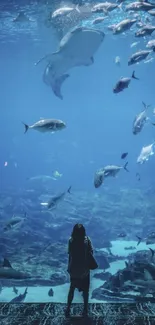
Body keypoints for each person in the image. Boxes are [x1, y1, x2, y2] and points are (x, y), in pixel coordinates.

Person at [65, 223, 93, 317]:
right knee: (85, 290)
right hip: (84, 269)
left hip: (74, 269)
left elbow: (70, 255)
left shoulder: (71, 240)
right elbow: (91, 252)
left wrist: (69, 268)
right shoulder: (87, 240)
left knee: (72, 288)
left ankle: (68, 308)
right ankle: (85, 310)